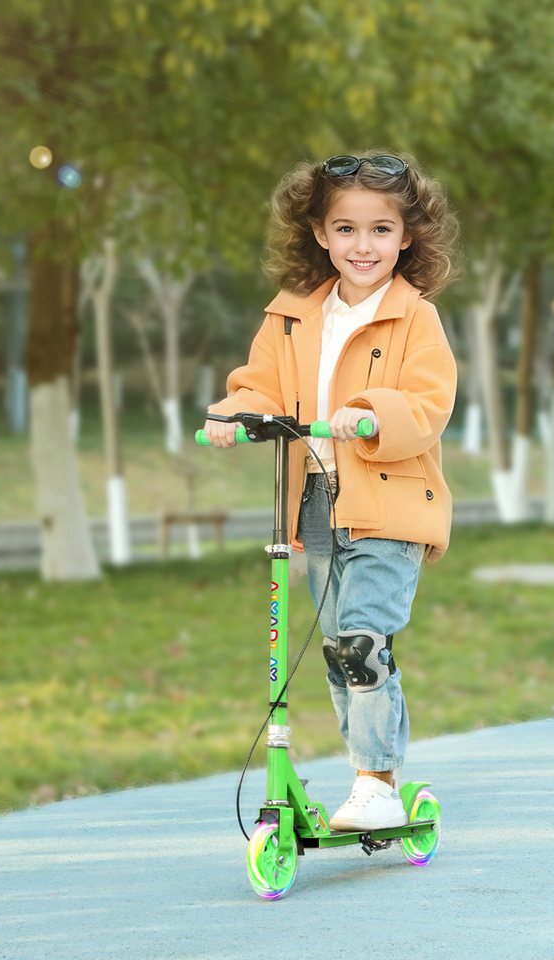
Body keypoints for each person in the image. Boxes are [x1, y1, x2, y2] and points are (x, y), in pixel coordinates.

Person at [203, 151, 459, 831]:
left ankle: (377, 782)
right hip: (316, 500)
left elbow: (429, 402)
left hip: (389, 503)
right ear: (319, 233)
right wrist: (233, 415)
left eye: (381, 229)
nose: (362, 245)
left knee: (362, 643)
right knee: (337, 651)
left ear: (406, 236)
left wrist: (371, 412)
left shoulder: (415, 318)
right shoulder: (291, 316)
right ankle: (368, 773)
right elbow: (259, 385)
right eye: (346, 229)